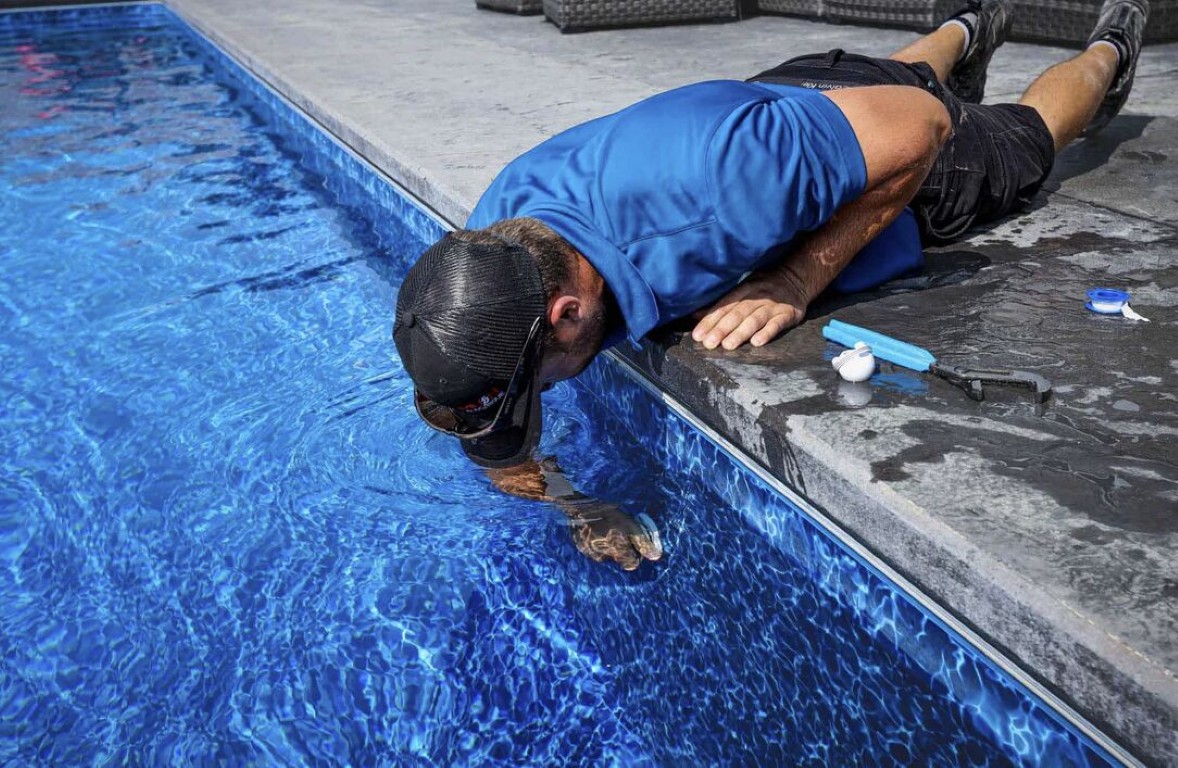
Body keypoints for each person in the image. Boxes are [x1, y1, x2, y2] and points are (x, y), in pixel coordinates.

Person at [393, 0, 1149, 570]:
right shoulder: (491, 245)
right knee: (878, 85)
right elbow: (493, 433)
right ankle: (964, 26)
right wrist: (576, 506)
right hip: (788, 104)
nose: (546, 395)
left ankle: (1112, 45)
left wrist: (794, 279)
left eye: (543, 382)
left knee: (1025, 135)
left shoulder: (715, 191)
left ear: (567, 312)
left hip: (889, 150)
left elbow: (917, 127)